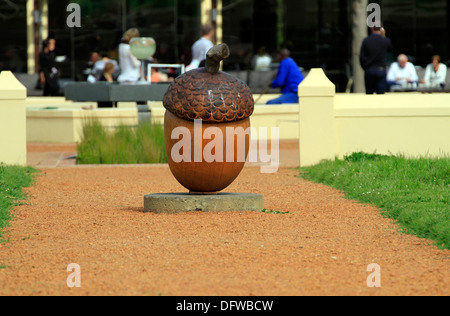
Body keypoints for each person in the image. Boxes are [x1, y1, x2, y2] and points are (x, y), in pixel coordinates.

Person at [360, 25, 393, 94]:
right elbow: (390, 49)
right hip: (380, 69)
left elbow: (362, 57)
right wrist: (383, 35)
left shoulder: (366, 41)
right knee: (381, 93)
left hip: (369, 69)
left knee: (369, 92)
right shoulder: (385, 40)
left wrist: (366, 67)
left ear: (371, 28)